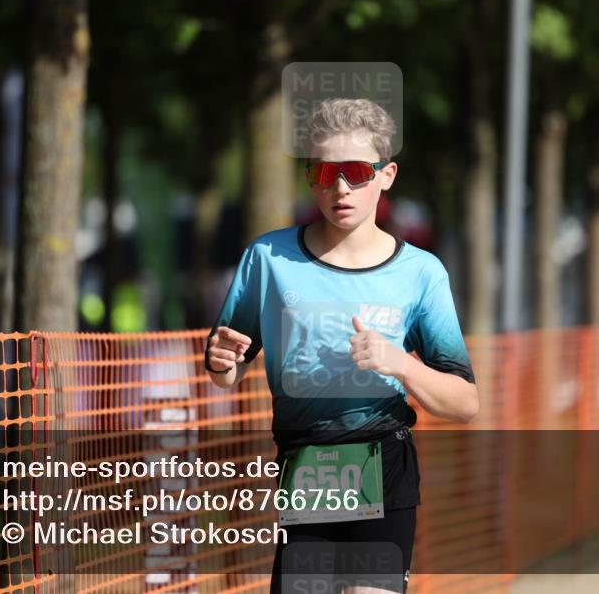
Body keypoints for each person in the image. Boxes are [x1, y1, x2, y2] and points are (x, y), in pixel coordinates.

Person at [204, 98, 479, 594]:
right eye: (325, 172)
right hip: (306, 467)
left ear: (387, 174)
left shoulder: (420, 273)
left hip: (383, 463)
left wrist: (401, 365)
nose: (340, 188)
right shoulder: (268, 258)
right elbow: (229, 366)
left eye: (356, 171)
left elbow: (465, 402)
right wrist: (220, 361)